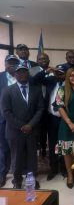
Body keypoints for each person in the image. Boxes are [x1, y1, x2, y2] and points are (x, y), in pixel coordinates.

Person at [1, 64, 44, 189]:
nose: (22, 74)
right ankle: (17, 180)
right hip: (15, 131)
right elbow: (6, 112)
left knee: (32, 157)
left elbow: (40, 109)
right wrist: (22, 126)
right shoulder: (7, 91)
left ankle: (31, 179)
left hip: (32, 129)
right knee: (16, 157)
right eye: (19, 72)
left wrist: (30, 125)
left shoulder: (36, 90)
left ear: (28, 74)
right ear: (14, 75)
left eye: (25, 72)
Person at [32, 64, 66, 180]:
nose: (60, 75)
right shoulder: (51, 80)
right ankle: (53, 168)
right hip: (52, 118)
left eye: (62, 73)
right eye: (58, 73)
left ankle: (64, 169)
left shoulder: (70, 84)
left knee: (64, 144)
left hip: (65, 119)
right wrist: (47, 71)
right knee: (52, 145)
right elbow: (34, 80)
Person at [0, 55, 19, 187]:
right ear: (5, 64)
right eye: (9, 63)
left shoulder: (23, 77)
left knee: (18, 146)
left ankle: (18, 172)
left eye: (14, 63)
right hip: (2, 119)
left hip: (19, 120)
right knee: (3, 147)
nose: (11, 65)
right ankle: (2, 173)